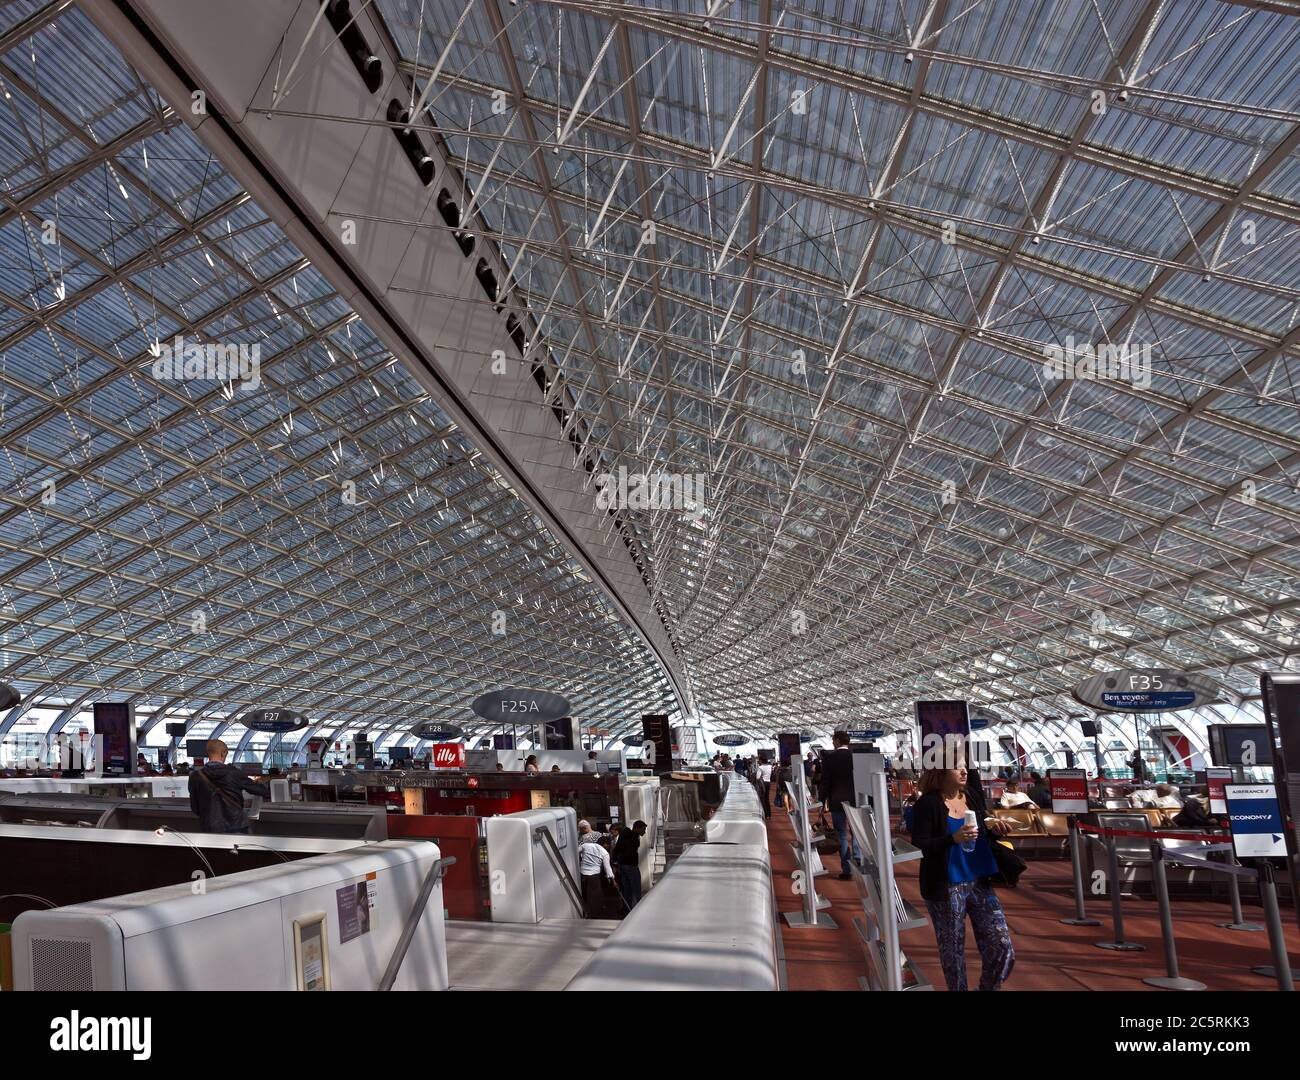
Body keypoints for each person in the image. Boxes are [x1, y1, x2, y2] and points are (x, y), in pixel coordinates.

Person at [910, 763, 1016, 992]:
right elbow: (920, 843)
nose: (964, 771)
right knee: (953, 950)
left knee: (1001, 945)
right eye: (956, 767)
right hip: (946, 884)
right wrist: (952, 839)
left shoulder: (971, 796)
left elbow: (982, 826)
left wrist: (995, 828)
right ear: (940, 772)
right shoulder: (928, 804)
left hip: (979, 880)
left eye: (965, 767)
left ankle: (988, 987)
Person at [187, 739, 272, 834]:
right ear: (223, 753)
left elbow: (195, 807)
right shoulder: (233, 773)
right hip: (236, 826)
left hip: (210, 828)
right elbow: (261, 790)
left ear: (207, 753)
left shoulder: (195, 776)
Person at [817, 731, 862, 879]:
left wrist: (821, 802)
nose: (832, 743)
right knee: (857, 832)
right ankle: (858, 860)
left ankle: (847, 869)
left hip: (837, 801)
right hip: (856, 800)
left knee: (841, 835)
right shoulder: (855, 757)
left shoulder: (830, 759)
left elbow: (825, 783)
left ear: (837, 741)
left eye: (832, 740)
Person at [577, 819, 615, 917]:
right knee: (596, 894)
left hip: (583, 873)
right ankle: (595, 912)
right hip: (595, 874)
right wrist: (612, 880)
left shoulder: (585, 845)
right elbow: (608, 868)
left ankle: (587, 910)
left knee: (587, 893)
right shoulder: (605, 853)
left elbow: (576, 851)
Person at [613, 819, 647, 911]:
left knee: (627, 890)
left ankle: (628, 910)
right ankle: (637, 910)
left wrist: (617, 862)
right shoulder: (634, 838)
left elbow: (617, 849)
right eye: (643, 829)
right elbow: (629, 852)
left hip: (622, 866)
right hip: (631, 866)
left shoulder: (624, 835)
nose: (644, 832)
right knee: (635, 890)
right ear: (637, 828)